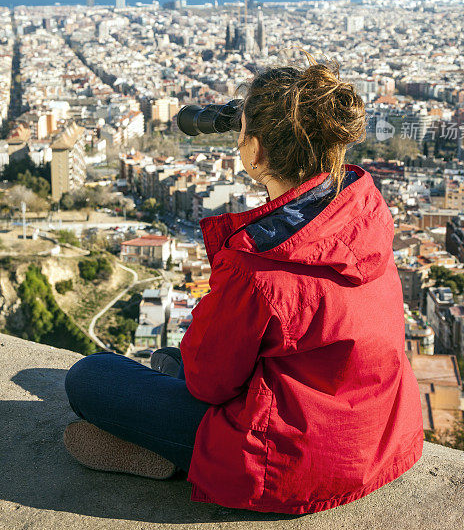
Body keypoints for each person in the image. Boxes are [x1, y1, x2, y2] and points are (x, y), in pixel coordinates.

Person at [63, 51, 424, 516]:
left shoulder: (260, 268)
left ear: (254, 151)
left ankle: (172, 459)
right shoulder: (364, 210)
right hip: (377, 439)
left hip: (290, 465)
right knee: (169, 358)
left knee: (89, 378)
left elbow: (209, 384)